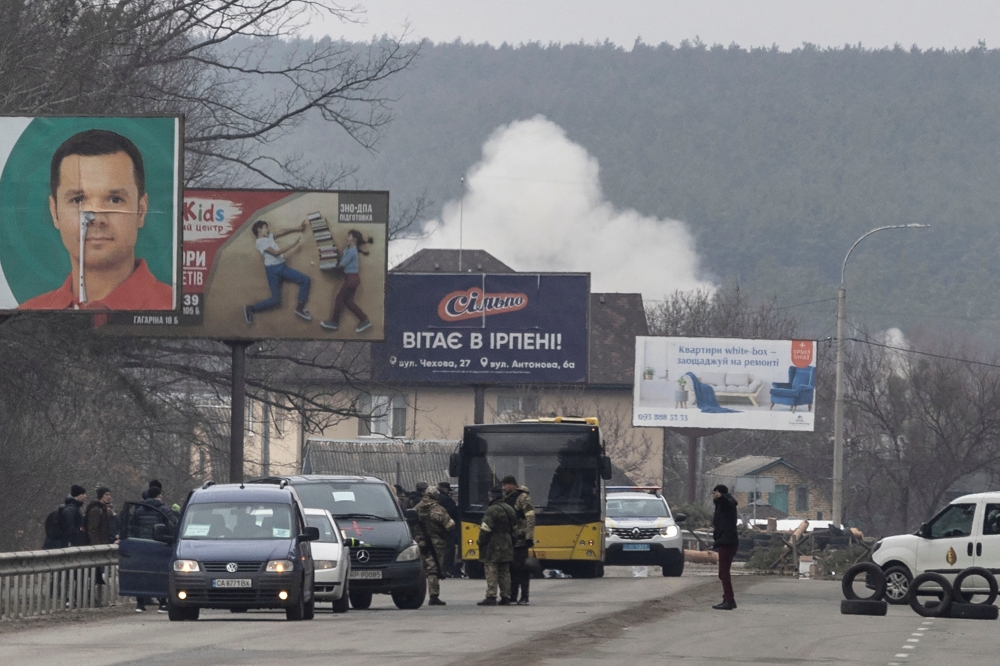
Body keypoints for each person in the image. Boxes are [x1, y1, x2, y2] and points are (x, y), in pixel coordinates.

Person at [20, 129, 173, 310]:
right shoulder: (23, 316)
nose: (96, 218)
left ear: (141, 211)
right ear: (55, 212)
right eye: (78, 199)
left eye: (115, 199)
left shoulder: (175, 309)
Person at [244, 219, 312, 325]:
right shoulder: (259, 242)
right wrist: (293, 245)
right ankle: (251, 308)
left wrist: (297, 228)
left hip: (283, 267)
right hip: (272, 271)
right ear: (259, 230)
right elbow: (275, 253)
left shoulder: (269, 237)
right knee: (275, 300)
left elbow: (281, 232)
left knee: (305, 280)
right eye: (266, 227)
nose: (268, 229)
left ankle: (300, 307)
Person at [320, 229, 372, 333]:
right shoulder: (349, 249)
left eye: (349, 236)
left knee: (339, 299)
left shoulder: (352, 252)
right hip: (352, 279)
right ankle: (364, 320)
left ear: (354, 239)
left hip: (351, 279)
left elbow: (341, 265)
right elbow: (341, 258)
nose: (346, 238)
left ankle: (334, 322)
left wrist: (328, 266)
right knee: (349, 302)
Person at [414, 486, 455, 606]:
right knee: (433, 569)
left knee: (420, 569)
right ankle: (434, 596)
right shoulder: (438, 509)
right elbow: (449, 526)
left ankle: (415, 593)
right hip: (435, 543)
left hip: (418, 542)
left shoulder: (417, 508)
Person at [477, 486, 517, 606]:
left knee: (491, 569)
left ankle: (491, 595)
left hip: (493, 543)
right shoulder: (509, 508)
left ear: (492, 497)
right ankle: (506, 596)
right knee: (505, 571)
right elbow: (515, 527)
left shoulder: (492, 510)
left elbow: (486, 528)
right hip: (507, 542)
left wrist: (481, 541)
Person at [134, 485, 170, 613]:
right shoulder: (162, 509)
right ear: (159, 495)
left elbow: (133, 526)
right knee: (160, 574)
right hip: (158, 545)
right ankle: (163, 603)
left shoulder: (138, 509)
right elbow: (171, 524)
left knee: (141, 574)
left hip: (141, 545)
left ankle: (140, 603)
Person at [502, 475, 536, 605]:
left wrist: (529, 537)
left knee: (522, 569)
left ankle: (524, 596)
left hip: (520, 539)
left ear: (512, 485)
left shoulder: (522, 498)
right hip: (510, 539)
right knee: (512, 569)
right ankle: (512, 596)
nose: (503, 488)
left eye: (505, 485)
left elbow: (530, 518)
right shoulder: (507, 498)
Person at [712, 484, 740, 610]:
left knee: (724, 573)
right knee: (722, 573)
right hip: (724, 541)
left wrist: (721, 498)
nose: (713, 496)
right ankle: (726, 599)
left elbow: (726, 503)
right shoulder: (720, 505)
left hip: (728, 542)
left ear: (720, 493)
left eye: (715, 493)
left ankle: (729, 600)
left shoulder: (727, 502)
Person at [437, 482, 462, 577]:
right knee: (450, 547)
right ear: (444, 489)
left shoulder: (435, 498)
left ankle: (446, 569)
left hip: (438, 527)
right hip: (448, 528)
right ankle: (447, 569)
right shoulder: (447, 500)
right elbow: (452, 512)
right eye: (448, 490)